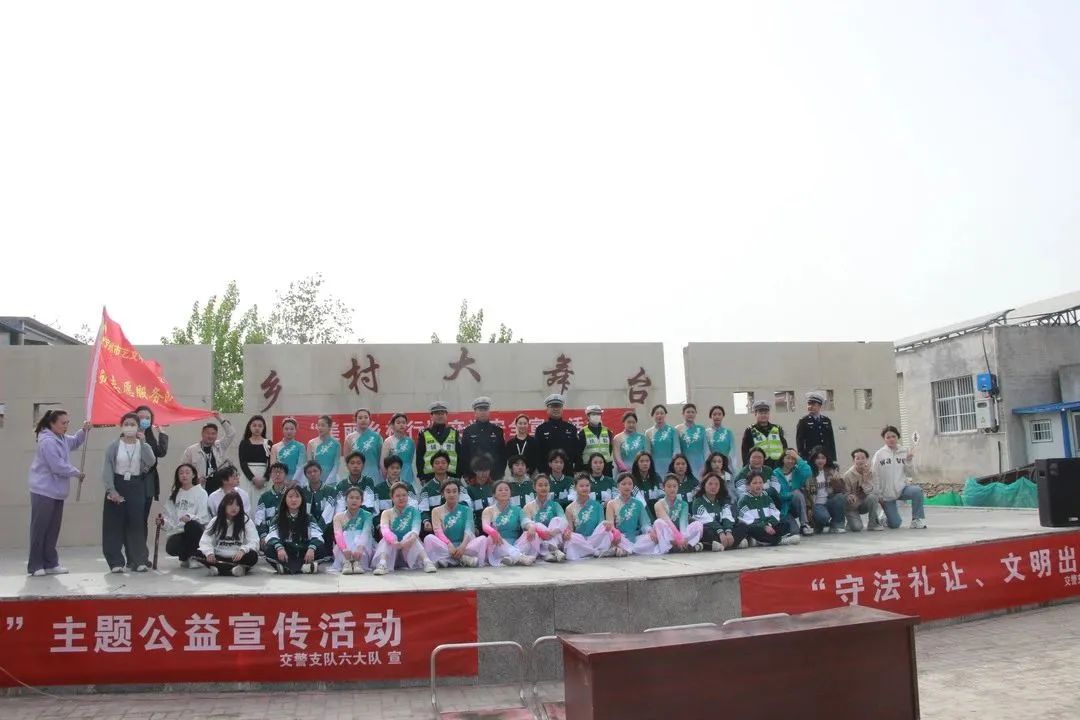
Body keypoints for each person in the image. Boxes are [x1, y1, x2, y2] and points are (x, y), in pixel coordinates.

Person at [27, 409, 90, 577]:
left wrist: (83, 431)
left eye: (68, 422)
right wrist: (76, 472)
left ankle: (50, 563)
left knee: (52, 529)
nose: (66, 425)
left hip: (56, 492)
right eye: (63, 423)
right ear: (52, 423)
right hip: (43, 491)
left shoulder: (61, 438)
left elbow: (75, 442)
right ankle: (35, 565)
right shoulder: (47, 441)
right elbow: (57, 466)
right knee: (40, 529)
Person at [102, 413, 157, 573]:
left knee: (136, 523)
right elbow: (107, 469)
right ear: (121, 426)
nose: (129, 427)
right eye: (126, 424)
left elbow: (151, 461)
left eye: (132, 424)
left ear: (138, 427)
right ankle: (115, 562)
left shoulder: (143, 445)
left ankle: (138, 559)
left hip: (136, 484)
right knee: (113, 524)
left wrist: (144, 442)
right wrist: (111, 490)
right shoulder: (114, 446)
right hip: (117, 483)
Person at [373, 482, 437, 574]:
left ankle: (427, 562)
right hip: (393, 550)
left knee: (411, 535)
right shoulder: (386, 513)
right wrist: (394, 542)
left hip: (409, 549)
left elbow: (416, 530)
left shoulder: (414, 511)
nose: (401, 498)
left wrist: (407, 541)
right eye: (398, 496)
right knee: (387, 538)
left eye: (404, 495)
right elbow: (385, 530)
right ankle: (382, 564)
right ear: (392, 498)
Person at [266, 486, 331, 574]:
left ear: (302, 499)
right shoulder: (278, 518)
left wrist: (311, 548)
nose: (294, 500)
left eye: (297, 497)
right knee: (269, 549)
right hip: (285, 554)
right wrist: (279, 548)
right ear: (285, 499)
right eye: (290, 496)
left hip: (304, 554)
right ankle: (306, 568)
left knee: (321, 548)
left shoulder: (309, 517)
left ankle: (286, 568)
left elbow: (317, 535)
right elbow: (272, 535)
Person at [872, 426, 927, 530]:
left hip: (901, 489)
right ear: (884, 439)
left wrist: (909, 461)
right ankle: (884, 517)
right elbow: (874, 475)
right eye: (888, 437)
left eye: (893, 436)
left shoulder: (904, 451)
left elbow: (910, 473)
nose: (891, 439)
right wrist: (878, 494)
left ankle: (916, 520)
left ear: (898, 437)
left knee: (917, 491)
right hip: (887, 494)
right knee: (895, 524)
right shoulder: (879, 454)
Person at [195, 491, 259, 576]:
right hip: (219, 557)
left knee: (253, 555)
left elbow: (254, 541)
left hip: (238, 557)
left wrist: (243, 550)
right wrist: (209, 553)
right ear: (224, 505)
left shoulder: (246, 521)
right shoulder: (215, 521)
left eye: (237, 505)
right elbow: (205, 540)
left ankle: (219, 570)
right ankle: (236, 570)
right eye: (230, 504)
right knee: (199, 553)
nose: (234, 508)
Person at [423, 479, 482, 568]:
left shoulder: (467, 510)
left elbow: (469, 530)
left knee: (482, 540)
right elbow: (438, 532)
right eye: (448, 492)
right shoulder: (436, 511)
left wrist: (462, 546)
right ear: (442, 494)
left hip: (464, 546)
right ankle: (462, 559)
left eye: (455, 491)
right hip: (445, 545)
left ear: (459, 493)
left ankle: (448, 559)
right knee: (429, 538)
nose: (452, 494)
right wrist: (449, 544)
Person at [162, 463, 212, 568]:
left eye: (187, 473)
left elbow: (204, 517)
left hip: (196, 529)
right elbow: (169, 517)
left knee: (191, 525)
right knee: (171, 546)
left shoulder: (201, 493)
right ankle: (185, 557)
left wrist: (190, 517)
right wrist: (163, 522)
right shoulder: (174, 494)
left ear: (193, 475)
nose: (184, 475)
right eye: (181, 473)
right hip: (179, 531)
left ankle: (195, 557)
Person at [479, 480, 536, 567]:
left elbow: (525, 521)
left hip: (516, 544)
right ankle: (519, 557)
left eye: (506, 490)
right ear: (494, 494)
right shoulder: (488, 510)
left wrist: (531, 526)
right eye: (500, 490)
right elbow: (485, 526)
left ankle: (510, 558)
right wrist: (493, 532)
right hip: (498, 544)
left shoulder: (517, 509)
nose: (504, 492)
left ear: (510, 493)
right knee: (491, 538)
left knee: (528, 534)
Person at [737, 470, 800, 546]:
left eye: (760, 483)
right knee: (754, 530)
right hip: (756, 528)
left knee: (785, 525)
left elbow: (775, 513)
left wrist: (769, 525)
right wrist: (764, 527)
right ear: (748, 485)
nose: (758, 485)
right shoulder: (744, 500)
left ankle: (760, 542)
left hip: (769, 526)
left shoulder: (766, 497)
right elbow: (748, 520)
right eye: (755, 483)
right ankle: (780, 541)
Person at [607, 472, 660, 556]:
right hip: (620, 537)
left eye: (630, 484)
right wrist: (616, 533)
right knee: (608, 536)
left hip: (635, 538)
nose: (627, 486)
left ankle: (626, 550)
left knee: (651, 539)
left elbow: (645, 524)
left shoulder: (638, 503)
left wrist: (650, 531)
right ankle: (627, 549)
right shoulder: (611, 503)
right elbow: (610, 525)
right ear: (618, 486)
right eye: (623, 484)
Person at [564, 474, 615, 560]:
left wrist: (606, 525)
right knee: (571, 538)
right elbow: (570, 529)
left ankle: (587, 551)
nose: (585, 488)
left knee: (606, 529)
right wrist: (567, 533)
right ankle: (595, 551)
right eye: (581, 486)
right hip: (580, 540)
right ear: (575, 488)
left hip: (595, 539)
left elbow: (601, 526)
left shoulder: (597, 505)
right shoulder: (569, 508)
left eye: (587, 485)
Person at [692, 472, 746, 551]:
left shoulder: (723, 500)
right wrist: (720, 532)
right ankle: (733, 543)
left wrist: (728, 532)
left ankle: (716, 545)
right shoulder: (698, 501)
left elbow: (727, 516)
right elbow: (707, 520)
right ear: (704, 485)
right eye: (710, 484)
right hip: (710, 530)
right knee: (704, 531)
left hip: (723, 531)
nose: (713, 487)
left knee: (742, 526)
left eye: (716, 484)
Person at [520, 474, 569, 562]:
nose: (543, 488)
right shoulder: (528, 507)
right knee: (535, 525)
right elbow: (525, 522)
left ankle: (550, 550)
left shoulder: (555, 505)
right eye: (540, 485)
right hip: (538, 538)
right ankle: (551, 551)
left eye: (546, 485)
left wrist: (554, 532)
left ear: (549, 487)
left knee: (557, 520)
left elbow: (563, 520)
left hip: (553, 536)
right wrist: (539, 531)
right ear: (534, 487)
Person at [134, 405, 168, 528]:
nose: (144, 420)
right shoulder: (128, 434)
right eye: (141, 417)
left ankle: (141, 540)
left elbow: (161, 452)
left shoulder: (149, 436)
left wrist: (162, 433)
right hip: (133, 480)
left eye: (147, 418)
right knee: (132, 517)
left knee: (143, 517)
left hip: (148, 481)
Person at [180, 413, 235, 490]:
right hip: (199, 488)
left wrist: (219, 418)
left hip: (218, 488)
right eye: (208, 433)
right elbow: (183, 470)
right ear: (202, 434)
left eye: (213, 434)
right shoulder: (191, 450)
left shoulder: (220, 446)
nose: (210, 436)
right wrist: (195, 480)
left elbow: (231, 433)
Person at [653, 474, 704, 553]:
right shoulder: (658, 504)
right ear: (663, 487)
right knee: (658, 523)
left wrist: (683, 538)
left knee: (698, 524)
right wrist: (678, 538)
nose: (672, 489)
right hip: (668, 536)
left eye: (674, 486)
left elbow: (683, 524)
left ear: (678, 487)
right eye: (669, 486)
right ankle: (670, 548)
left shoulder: (684, 504)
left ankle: (687, 546)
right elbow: (668, 522)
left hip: (680, 534)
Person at [461, 397, 507, 480]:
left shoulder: (497, 431)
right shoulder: (468, 431)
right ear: (475, 412)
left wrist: (500, 474)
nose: (483, 412)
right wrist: (468, 475)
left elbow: (502, 455)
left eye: (485, 409)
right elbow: (464, 455)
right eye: (480, 410)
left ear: (489, 411)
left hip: (494, 476)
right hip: (474, 477)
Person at [331, 486, 374, 574]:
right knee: (345, 534)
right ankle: (346, 562)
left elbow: (366, 532)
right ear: (346, 500)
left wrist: (360, 547)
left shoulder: (367, 515)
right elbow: (338, 535)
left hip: (363, 546)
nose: (354, 500)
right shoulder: (338, 517)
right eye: (351, 498)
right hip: (344, 547)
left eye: (357, 498)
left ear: (362, 501)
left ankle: (358, 563)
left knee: (359, 534)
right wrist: (344, 549)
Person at [534, 394, 580, 471]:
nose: (556, 409)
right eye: (552, 406)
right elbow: (537, 453)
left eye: (558, 406)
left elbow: (576, 451)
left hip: (567, 471)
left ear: (562, 409)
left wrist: (576, 469)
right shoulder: (541, 429)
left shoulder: (571, 428)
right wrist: (542, 471)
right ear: (547, 409)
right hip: (547, 472)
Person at [417, 401, 462, 481]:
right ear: (431, 416)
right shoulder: (424, 433)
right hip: (429, 476)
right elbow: (420, 456)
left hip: (452, 475)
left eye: (442, 413)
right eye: (437, 414)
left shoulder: (454, 432)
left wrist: (459, 474)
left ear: (446, 415)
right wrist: (421, 476)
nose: (440, 416)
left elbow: (459, 455)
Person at [772, 449, 813, 536]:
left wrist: (798, 457)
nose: (790, 461)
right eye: (788, 458)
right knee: (794, 531)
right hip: (783, 508)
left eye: (793, 459)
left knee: (797, 493)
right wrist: (791, 495)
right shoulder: (775, 473)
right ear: (783, 459)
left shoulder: (797, 471)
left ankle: (804, 524)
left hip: (796, 506)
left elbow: (808, 471)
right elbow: (777, 495)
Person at [807, 448, 848, 534]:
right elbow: (806, 493)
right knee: (824, 517)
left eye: (823, 458)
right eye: (818, 458)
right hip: (816, 505)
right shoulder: (809, 472)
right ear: (813, 459)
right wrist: (809, 508)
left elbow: (842, 490)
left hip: (829, 501)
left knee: (840, 497)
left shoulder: (831, 471)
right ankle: (817, 524)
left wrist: (836, 481)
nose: (820, 460)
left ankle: (837, 525)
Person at [843, 448, 883, 532]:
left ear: (867, 459)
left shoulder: (872, 472)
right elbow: (845, 493)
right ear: (853, 460)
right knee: (857, 528)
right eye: (857, 458)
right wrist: (849, 496)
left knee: (873, 497)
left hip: (865, 503)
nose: (860, 461)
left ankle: (873, 524)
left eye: (863, 458)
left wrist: (865, 480)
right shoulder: (847, 475)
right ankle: (851, 521)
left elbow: (875, 491)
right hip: (853, 506)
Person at [418, 450, 457, 536]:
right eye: (437, 463)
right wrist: (426, 521)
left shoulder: (457, 484)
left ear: (448, 466)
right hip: (435, 527)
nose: (440, 465)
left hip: (456, 523)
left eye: (443, 463)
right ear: (432, 467)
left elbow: (466, 503)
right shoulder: (426, 488)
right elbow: (423, 509)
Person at [740, 401, 787, 472]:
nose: (763, 415)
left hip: (777, 465)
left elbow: (784, 446)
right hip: (760, 466)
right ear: (755, 414)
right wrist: (746, 466)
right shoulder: (750, 430)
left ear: (769, 414)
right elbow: (745, 450)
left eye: (766, 413)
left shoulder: (777, 428)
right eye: (761, 413)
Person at [302, 461, 337, 552]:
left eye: (315, 471)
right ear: (306, 475)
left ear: (320, 472)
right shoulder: (302, 492)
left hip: (325, 528)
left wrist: (316, 532)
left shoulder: (330, 490)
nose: (312, 474)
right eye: (309, 472)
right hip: (307, 528)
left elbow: (328, 515)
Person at [238, 414, 272, 508]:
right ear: (250, 427)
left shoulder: (268, 443)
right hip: (248, 477)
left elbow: (271, 463)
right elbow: (243, 463)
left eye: (260, 426)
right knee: (247, 502)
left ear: (263, 428)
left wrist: (265, 478)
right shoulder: (244, 443)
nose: (257, 428)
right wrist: (253, 478)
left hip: (264, 477)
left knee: (263, 502)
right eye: (254, 425)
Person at [796, 392, 837, 463]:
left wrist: (832, 457)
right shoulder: (803, 421)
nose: (810, 406)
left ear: (820, 406)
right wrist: (803, 457)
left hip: (825, 455)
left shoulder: (826, 420)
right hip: (811, 455)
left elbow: (831, 440)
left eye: (813, 404)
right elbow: (800, 441)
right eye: (809, 404)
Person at [256, 462, 290, 546]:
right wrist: (263, 535)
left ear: (285, 475)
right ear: (270, 475)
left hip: (288, 533)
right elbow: (259, 519)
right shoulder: (264, 497)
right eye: (274, 472)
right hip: (269, 534)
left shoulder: (291, 494)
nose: (277, 474)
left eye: (280, 472)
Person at [345, 408, 384, 484]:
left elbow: (381, 459)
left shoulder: (377, 437)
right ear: (355, 420)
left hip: (374, 475)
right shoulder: (349, 438)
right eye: (360, 418)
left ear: (369, 420)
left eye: (366, 417)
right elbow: (347, 460)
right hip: (356, 475)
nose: (363, 420)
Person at [644, 404, 681, 479]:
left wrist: (675, 464)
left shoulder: (673, 430)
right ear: (652, 416)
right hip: (654, 466)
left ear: (665, 415)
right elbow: (647, 452)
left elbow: (677, 449)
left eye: (662, 413)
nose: (659, 415)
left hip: (670, 465)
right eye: (657, 413)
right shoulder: (648, 432)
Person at [381, 413, 417, 488]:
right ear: (392, 425)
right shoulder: (388, 441)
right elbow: (382, 462)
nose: (401, 425)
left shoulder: (410, 441)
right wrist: (385, 478)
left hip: (409, 476)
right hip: (393, 476)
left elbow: (414, 461)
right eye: (398, 422)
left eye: (403, 422)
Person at [578, 405, 614, 476]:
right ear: (588, 416)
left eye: (598, 414)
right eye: (594, 414)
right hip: (588, 469)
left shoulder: (607, 431)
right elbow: (579, 453)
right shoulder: (582, 433)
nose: (596, 416)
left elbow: (610, 449)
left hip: (606, 469)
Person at [306, 415, 341, 485]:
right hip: (315, 479)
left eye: (323, 425)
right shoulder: (311, 443)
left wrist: (330, 480)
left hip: (332, 480)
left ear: (329, 427)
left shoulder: (336, 444)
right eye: (318, 425)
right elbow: (309, 464)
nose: (320, 428)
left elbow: (336, 463)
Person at [705, 405, 740, 474]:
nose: (717, 417)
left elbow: (733, 450)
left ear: (723, 416)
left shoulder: (728, 432)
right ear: (710, 416)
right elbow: (705, 450)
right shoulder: (706, 433)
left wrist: (728, 461)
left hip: (726, 465)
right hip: (711, 465)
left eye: (719, 414)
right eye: (714, 414)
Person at [676, 404, 708, 479]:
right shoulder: (677, 429)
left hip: (700, 463)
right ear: (683, 414)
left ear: (696, 413)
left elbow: (706, 448)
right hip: (684, 464)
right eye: (688, 412)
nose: (690, 414)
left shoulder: (701, 429)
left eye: (693, 412)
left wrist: (706, 465)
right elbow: (677, 449)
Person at [629, 451, 663, 516]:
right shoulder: (631, 479)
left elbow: (662, 496)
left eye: (647, 461)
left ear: (650, 463)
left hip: (655, 511)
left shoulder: (656, 477)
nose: (645, 463)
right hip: (637, 512)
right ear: (637, 463)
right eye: (641, 461)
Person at [467, 459, 495, 531]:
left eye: (486, 470)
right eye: (481, 470)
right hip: (478, 527)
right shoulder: (469, 489)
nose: (484, 473)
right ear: (475, 471)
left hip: (494, 525)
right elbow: (469, 511)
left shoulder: (494, 486)